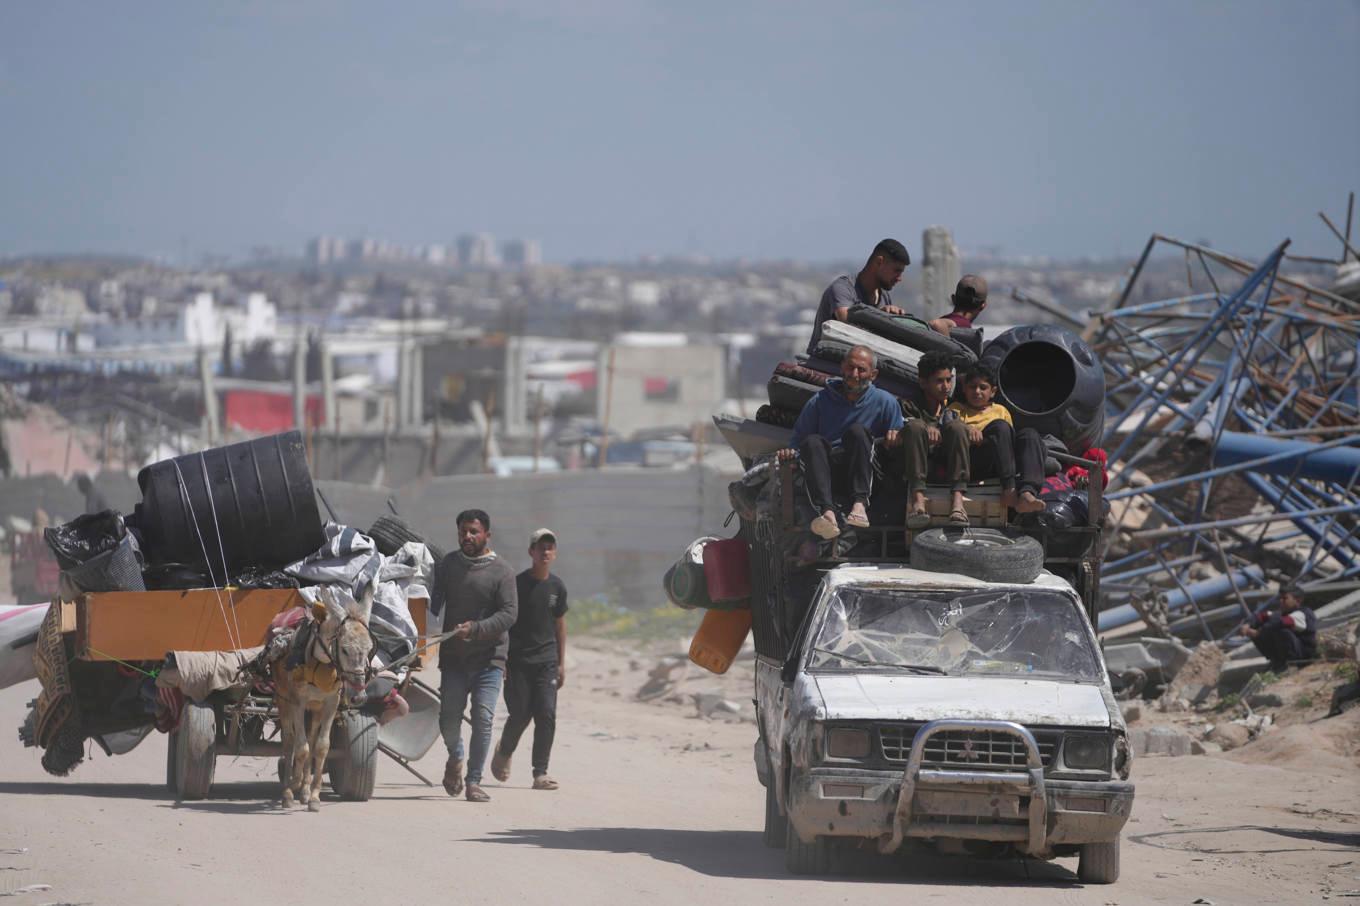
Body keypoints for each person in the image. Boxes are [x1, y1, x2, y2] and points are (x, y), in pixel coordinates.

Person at [432, 509, 518, 803]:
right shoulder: (449, 565)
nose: (467, 537)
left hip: (489, 660)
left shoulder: (502, 571)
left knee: (483, 718)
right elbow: (432, 600)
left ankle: (473, 781)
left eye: (473, 532)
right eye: (462, 532)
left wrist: (477, 629)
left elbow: (509, 614)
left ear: (487, 535)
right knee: (448, 719)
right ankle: (455, 757)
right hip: (454, 659)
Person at [777, 345, 903, 538]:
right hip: (830, 473)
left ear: (873, 374)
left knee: (858, 432)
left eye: (861, 370)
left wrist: (894, 438)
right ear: (842, 367)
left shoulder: (885, 402)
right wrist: (789, 453)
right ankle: (827, 513)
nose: (855, 374)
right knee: (812, 441)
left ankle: (860, 504)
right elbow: (798, 441)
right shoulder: (819, 401)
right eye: (850, 367)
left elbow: (898, 438)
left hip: (867, 474)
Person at [492, 528, 568, 791]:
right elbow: (505, 623)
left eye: (550, 547)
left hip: (546, 661)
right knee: (520, 714)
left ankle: (540, 773)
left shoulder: (557, 587)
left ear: (554, 553)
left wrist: (561, 662)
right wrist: (500, 659)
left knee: (546, 714)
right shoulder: (518, 584)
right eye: (540, 547)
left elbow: (560, 625)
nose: (545, 552)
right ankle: (505, 750)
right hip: (518, 662)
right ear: (531, 552)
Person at [946, 363, 1046, 514]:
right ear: (965, 389)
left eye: (983, 387)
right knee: (999, 426)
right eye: (972, 387)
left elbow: (1008, 442)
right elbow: (950, 429)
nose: (977, 391)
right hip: (971, 461)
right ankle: (1009, 489)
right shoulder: (956, 408)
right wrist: (968, 429)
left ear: (992, 392)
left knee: (1030, 434)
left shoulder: (1000, 410)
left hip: (999, 462)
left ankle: (1027, 493)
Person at [901, 350, 969, 527]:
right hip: (916, 470)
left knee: (958, 427)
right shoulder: (909, 406)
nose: (946, 386)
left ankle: (957, 502)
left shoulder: (952, 410)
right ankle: (918, 501)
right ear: (923, 382)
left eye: (948, 380)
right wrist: (925, 429)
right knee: (915, 426)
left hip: (945, 468)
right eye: (939, 381)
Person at [806, 238, 910, 354]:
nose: (899, 278)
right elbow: (847, 323)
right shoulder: (843, 288)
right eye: (896, 271)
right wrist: (882, 316)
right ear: (879, 262)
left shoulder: (884, 297)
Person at [1242, 583, 1318, 673]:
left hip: (1303, 654)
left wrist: (1259, 632)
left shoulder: (1303, 613)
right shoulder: (1283, 613)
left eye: (1285, 598)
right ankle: (1277, 661)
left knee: (1280, 629)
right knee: (1258, 625)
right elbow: (1263, 616)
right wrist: (1248, 624)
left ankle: (1292, 664)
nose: (1281, 601)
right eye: (1280, 598)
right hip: (1289, 651)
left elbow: (1281, 622)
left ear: (1297, 601)